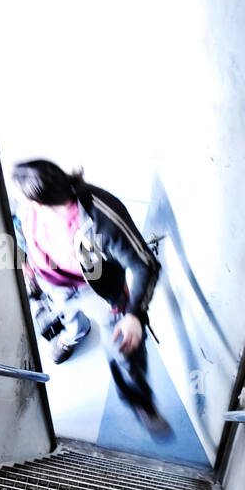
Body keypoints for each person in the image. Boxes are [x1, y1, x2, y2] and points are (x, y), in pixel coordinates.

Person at [11, 159, 172, 439]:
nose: (19, 202)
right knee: (68, 318)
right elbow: (15, 228)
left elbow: (144, 265)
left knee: (123, 347)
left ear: (39, 202)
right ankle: (75, 333)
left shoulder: (100, 217)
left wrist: (134, 314)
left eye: (23, 199)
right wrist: (23, 261)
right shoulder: (26, 208)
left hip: (97, 291)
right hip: (54, 286)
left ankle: (139, 398)